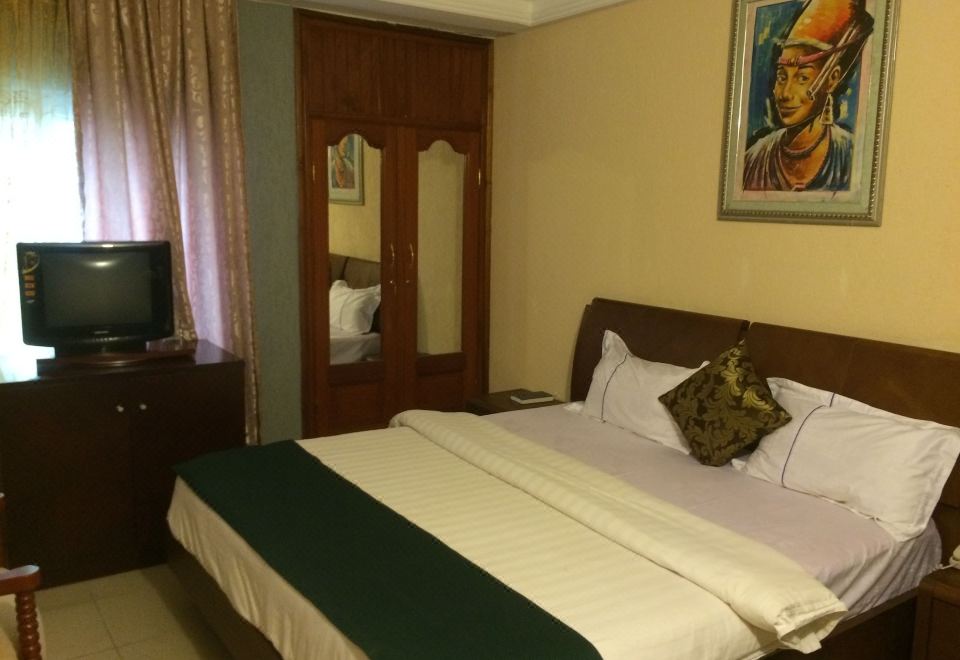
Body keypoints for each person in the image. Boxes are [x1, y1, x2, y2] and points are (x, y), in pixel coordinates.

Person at [743, 0, 873, 192]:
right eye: (781, 77)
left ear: (832, 79)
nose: (785, 93)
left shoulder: (852, 156)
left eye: (802, 78)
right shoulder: (753, 160)